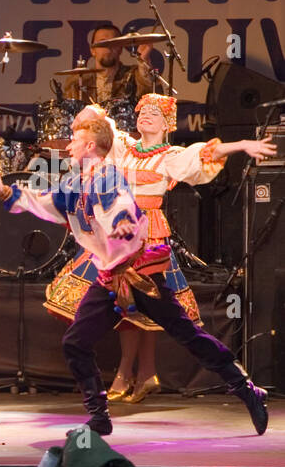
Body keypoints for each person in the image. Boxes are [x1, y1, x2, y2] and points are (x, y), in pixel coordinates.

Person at [0, 118, 268, 436]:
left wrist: (123, 222)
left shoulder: (108, 176)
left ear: (90, 146)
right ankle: (99, 416)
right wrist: (3, 191)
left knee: (188, 335)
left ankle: (247, 389)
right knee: (76, 342)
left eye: (75, 141)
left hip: (139, 272)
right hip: (109, 276)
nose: (69, 146)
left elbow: (119, 202)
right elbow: (44, 203)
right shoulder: (74, 183)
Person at [49, 98, 276, 403]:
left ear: (168, 123)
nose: (146, 117)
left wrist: (243, 144)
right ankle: (133, 374)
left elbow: (207, 152)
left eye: (155, 113)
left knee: (149, 303)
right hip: (117, 233)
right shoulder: (123, 146)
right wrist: (92, 116)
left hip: (149, 234)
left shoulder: (171, 157)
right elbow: (98, 123)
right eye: (142, 112)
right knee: (122, 303)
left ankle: (142, 373)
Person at [64, 24, 159, 104]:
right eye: (103, 43)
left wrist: (143, 60)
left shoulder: (133, 75)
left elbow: (151, 95)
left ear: (120, 49)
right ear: (92, 50)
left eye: (114, 43)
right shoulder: (77, 81)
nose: (108, 47)